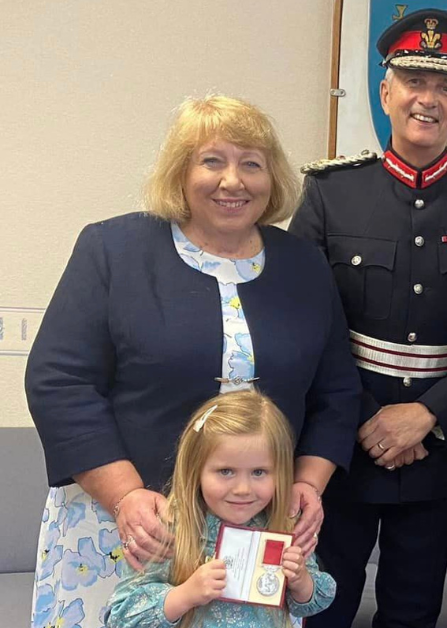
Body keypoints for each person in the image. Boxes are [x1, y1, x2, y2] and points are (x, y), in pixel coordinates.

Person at [26, 95, 361, 628]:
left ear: (272, 179)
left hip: (254, 524)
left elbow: (337, 391)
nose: (234, 181)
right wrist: (126, 496)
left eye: (252, 164)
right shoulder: (113, 249)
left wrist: (307, 483)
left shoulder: (305, 265)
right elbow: (59, 381)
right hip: (133, 529)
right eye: (212, 161)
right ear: (180, 173)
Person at [287, 8, 447, 628]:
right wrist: (367, 418)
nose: (429, 98)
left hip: (436, 447)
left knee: (414, 611)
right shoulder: (330, 192)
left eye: (445, 86)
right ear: (385, 91)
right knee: (318, 606)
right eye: (415, 81)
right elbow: (301, 323)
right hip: (337, 446)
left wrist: (428, 416)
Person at [106, 390, 337, 627]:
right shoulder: (168, 530)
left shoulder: (283, 526)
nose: (243, 489)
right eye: (226, 471)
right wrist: (185, 595)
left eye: (259, 472)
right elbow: (121, 616)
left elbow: (315, 600)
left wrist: (301, 581)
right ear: (195, 471)